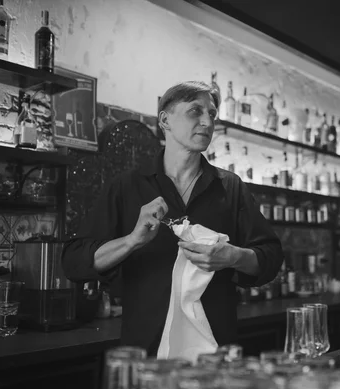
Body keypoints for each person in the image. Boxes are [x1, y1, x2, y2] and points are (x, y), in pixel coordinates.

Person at [61, 81, 284, 355]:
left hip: (214, 352)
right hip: (146, 350)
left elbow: (271, 258)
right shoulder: (127, 187)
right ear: (165, 119)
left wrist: (233, 257)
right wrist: (131, 241)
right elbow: (74, 262)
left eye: (212, 114)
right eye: (195, 111)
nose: (207, 121)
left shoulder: (231, 187)